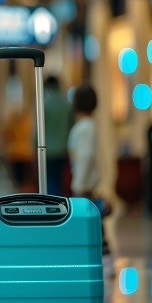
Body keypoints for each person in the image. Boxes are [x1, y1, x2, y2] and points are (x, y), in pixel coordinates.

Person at [67, 84, 112, 274]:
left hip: (85, 187)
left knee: (89, 228)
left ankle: (101, 264)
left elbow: (84, 157)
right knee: (96, 227)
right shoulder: (90, 126)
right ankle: (106, 263)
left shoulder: (82, 128)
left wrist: (78, 185)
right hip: (91, 185)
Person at [42, 76, 72, 196]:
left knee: (49, 180)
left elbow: (37, 129)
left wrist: (33, 147)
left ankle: (51, 207)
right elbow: (71, 126)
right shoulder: (66, 103)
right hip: (63, 149)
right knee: (60, 180)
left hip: (46, 150)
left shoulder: (43, 103)